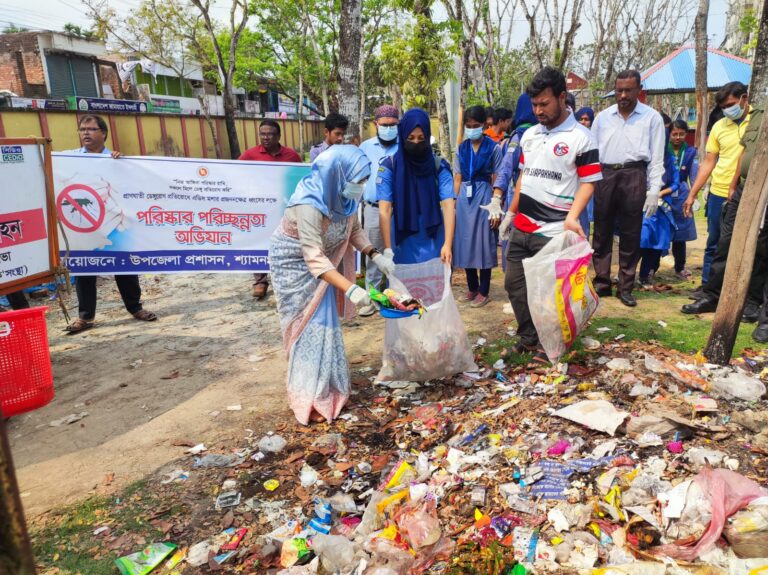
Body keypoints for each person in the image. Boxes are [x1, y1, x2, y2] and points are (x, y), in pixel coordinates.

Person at [269, 145, 394, 425]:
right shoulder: (309, 202)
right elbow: (313, 258)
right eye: (357, 180)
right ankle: (306, 393)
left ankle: (328, 385)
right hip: (294, 265)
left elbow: (355, 232)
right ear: (338, 174)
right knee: (307, 324)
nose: (360, 186)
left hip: (323, 265)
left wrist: (376, 255)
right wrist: (351, 288)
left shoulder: (346, 198)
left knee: (325, 325)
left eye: (364, 180)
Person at [498, 67, 601, 359]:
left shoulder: (581, 137)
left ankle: (552, 344)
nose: (539, 110)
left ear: (562, 97)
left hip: (554, 230)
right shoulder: (530, 135)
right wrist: (510, 213)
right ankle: (529, 335)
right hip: (523, 226)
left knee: (549, 293)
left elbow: (589, 182)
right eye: (534, 105)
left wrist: (573, 217)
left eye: (544, 104)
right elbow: (523, 178)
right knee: (514, 284)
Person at [64, 115, 157, 335]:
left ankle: (135, 308)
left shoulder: (115, 159)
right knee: (85, 269)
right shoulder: (68, 159)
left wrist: (122, 164)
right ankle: (85, 317)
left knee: (123, 264)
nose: (86, 133)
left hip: (112, 220)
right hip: (82, 224)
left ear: (103, 133)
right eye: (82, 129)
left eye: (91, 129)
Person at [681, 106, 767, 326]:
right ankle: (713, 294)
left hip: (764, 190)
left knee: (762, 249)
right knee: (723, 243)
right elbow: (744, 153)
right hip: (743, 188)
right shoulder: (759, 115)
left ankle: (754, 303)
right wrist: (733, 183)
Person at [591, 69, 665, 307]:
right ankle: (602, 282)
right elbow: (592, 152)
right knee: (601, 230)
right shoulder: (602, 117)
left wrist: (654, 191)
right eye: (619, 90)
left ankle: (625, 286)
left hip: (635, 173)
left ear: (638, 91)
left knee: (631, 233)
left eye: (627, 90)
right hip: (605, 174)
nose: (622, 95)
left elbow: (657, 158)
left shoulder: (651, 118)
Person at [682, 81, 752, 290]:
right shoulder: (720, 126)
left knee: (748, 244)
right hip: (719, 192)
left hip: (749, 192)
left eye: (730, 104)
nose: (727, 110)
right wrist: (692, 193)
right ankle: (708, 287)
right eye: (722, 108)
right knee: (715, 242)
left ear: (744, 98)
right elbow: (709, 161)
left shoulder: (758, 121)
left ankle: (741, 290)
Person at [377, 108, 455, 266]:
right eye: (410, 138)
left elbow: (448, 205)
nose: (416, 143)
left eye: (421, 138)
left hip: (433, 235)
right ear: (403, 136)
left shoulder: (439, 166)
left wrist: (447, 243)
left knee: (435, 285)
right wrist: (387, 249)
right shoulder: (389, 167)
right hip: (401, 237)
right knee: (402, 288)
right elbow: (384, 209)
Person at [239, 119, 302, 299]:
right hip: (259, 208)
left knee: (284, 242)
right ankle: (260, 280)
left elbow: (299, 179)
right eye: (262, 134)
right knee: (258, 241)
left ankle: (284, 277)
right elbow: (235, 173)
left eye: (270, 134)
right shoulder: (249, 155)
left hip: (283, 208)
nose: (266, 138)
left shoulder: (291, 156)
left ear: (278, 136)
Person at [454, 106, 503, 307]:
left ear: (484, 125)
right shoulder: (460, 148)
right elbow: (457, 177)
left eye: (476, 126)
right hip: (465, 199)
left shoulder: (493, 148)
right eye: (468, 126)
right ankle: (472, 287)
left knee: (483, 242)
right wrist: (453, 204)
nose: (472, 129)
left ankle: (484, 291)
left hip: (484, 196)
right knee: (465, 242)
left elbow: (498, 176)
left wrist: (495, 207)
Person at [357, 105, 400, 317]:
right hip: (373, 209)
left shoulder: (405, 146)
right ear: (376, 125)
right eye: (385, 125)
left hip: (399, 210)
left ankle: (397, 298)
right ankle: (374, 299)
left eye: (393, 125)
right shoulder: (365, 147)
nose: (389, 129)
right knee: (373, 253)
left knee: (397, 252)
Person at [494, 94, 538, 271]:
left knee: (515, 241)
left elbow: (505, 169)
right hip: (535, 197)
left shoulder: (519, 136)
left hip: (517, 197)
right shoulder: (522, 136)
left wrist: (498, 195)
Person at [638, 130, 679, 287]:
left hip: (662, 207)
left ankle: (646, 275)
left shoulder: (668, 159)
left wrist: (660, 192)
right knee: (642, 240)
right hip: (642, 205)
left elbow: (675, 183)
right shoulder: (642, 157)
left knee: (658, 242)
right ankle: (627, 274)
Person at [667, 119, 698, 279]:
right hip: (664, 194)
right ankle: (650, 268)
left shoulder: (691, 152)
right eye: (674, 134)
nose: (677, 137)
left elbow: (693, 175)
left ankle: (680, 267)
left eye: (681, 134)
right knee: (660, 232)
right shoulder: (663, 150)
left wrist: (694, 194)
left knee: (680, 234)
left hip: (682, 194)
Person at [574, 107, 596, 233]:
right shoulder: (574, 138)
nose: (583, 122)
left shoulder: (594, 138)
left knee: (585, 220)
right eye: (581, 119)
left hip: (589, 183)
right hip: (574, 184)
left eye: (586, 119)